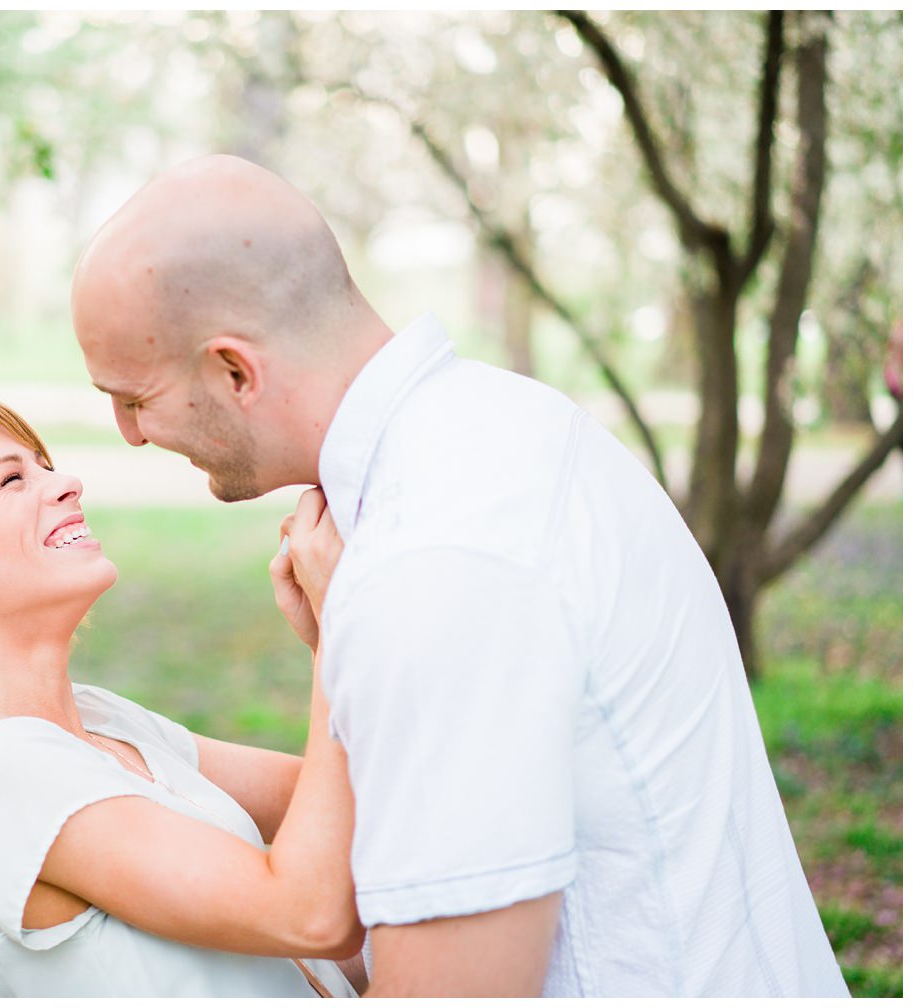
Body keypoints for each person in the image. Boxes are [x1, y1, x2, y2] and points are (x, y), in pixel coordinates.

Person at [70, 154, 849, 996]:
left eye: (135, 397)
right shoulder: (501, 426)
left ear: (234, 371)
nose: (129, 435)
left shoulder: (434, 560)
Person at [0, 393, 364, 997]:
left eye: (44, 464)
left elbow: (345, 805)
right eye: (10, 480)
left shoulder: (99, 719)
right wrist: (336, 635)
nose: (67, 483)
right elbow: (312, 913)